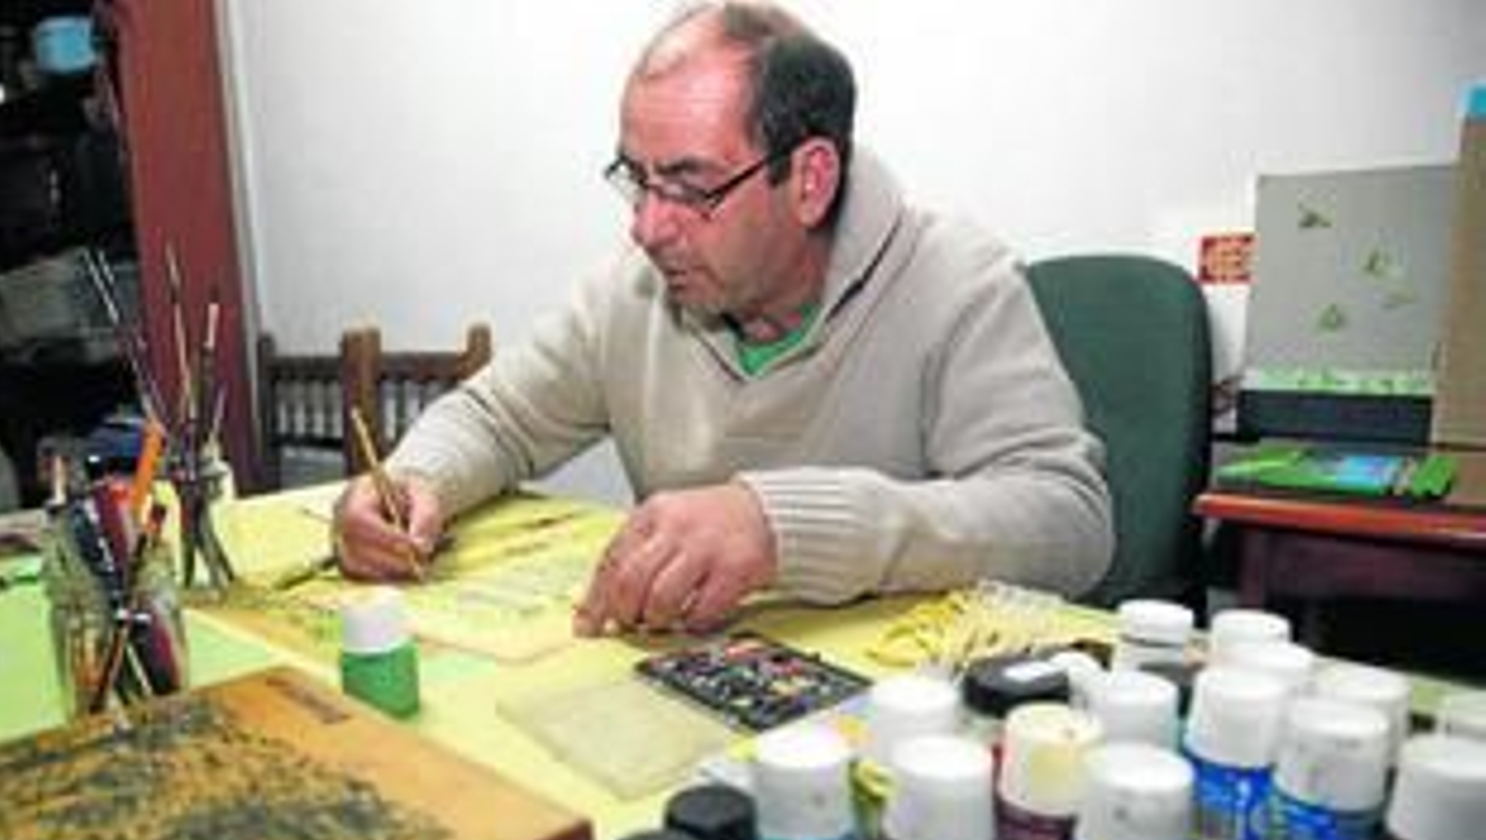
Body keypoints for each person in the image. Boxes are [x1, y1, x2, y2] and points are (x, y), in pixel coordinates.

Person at [333, 1, 1113, 637]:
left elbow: (1071, 521)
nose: (647, 228)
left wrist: (785, 527)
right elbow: (497, 419)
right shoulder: (633, 291)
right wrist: (413, 481)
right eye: (636, 178)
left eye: (689, 185)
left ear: (809, 180)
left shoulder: (956, 281)